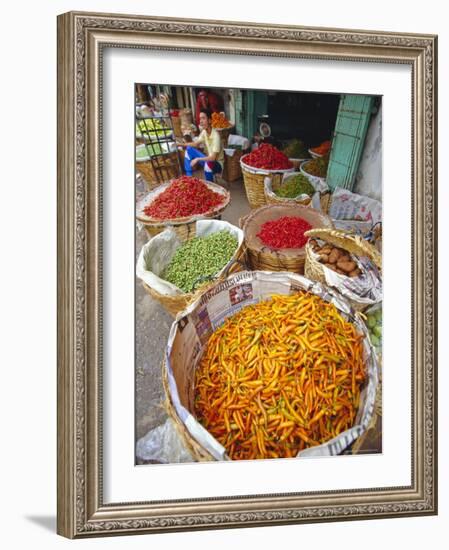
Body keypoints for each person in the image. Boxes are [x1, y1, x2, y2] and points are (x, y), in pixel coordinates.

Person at [178, 109, 224, 182]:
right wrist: (180, 144)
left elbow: (213, 158)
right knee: (189, 149)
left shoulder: (216, 136)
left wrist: (198, 159)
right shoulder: (204, 132)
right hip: (208, 159)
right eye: (200, 119)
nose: (201, 121)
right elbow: (195, 144)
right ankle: (189, 178)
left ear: (209, 120)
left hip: (217, 164)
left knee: (208, 165)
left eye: (203, 118)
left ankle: (210, 187)